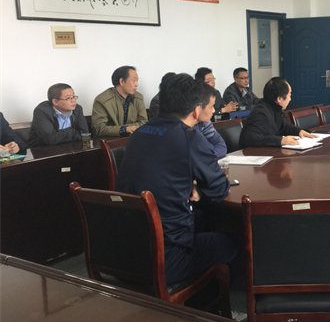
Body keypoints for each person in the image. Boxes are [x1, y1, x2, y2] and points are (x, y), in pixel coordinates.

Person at [116, 73, 240, 285]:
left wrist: (190, 184)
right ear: (195, 110)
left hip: (127, 248)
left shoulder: (139, 133)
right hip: (167, 256)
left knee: (202, 223)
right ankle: (210, 302)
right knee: (234, 243)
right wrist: (198, 188)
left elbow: (161, 172)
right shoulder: (189, 137)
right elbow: (220, 191)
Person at [151, 72, 227, 157]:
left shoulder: (203, 122)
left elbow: (221, 146)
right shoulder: (174, 130)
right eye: (211, 106)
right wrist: (203, 158)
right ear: (197, 108)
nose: (213, 110)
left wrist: (204, 157)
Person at [240, 77, 318, 148]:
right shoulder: (261, 113)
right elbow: (249, 138)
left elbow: (284, 126)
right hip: (253, 156)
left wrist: (299, 131)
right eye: (289, 95)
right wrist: (281, 140)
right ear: (279, 99)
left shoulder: (274, 108)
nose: (290, 99)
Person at [28, 83, 89, 148]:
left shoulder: (77, 109)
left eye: (73, 96)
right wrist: (72, 131)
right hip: (42, 150)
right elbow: (50, 139)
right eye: (68, 98)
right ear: (55, 102)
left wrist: (58, 135)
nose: (73, 101)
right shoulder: (42, 111)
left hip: (70, 149)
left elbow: (85, 134)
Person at [92, 66, 147, 137]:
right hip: (112, 141)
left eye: (137, 81)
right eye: (134, 80)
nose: (136, 84)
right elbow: (98, 128)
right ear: (122, 81)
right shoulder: (102, 100)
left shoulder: (138, 98)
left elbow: (144, 122)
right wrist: (124, 129)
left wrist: (129, 128)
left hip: (134, 138)